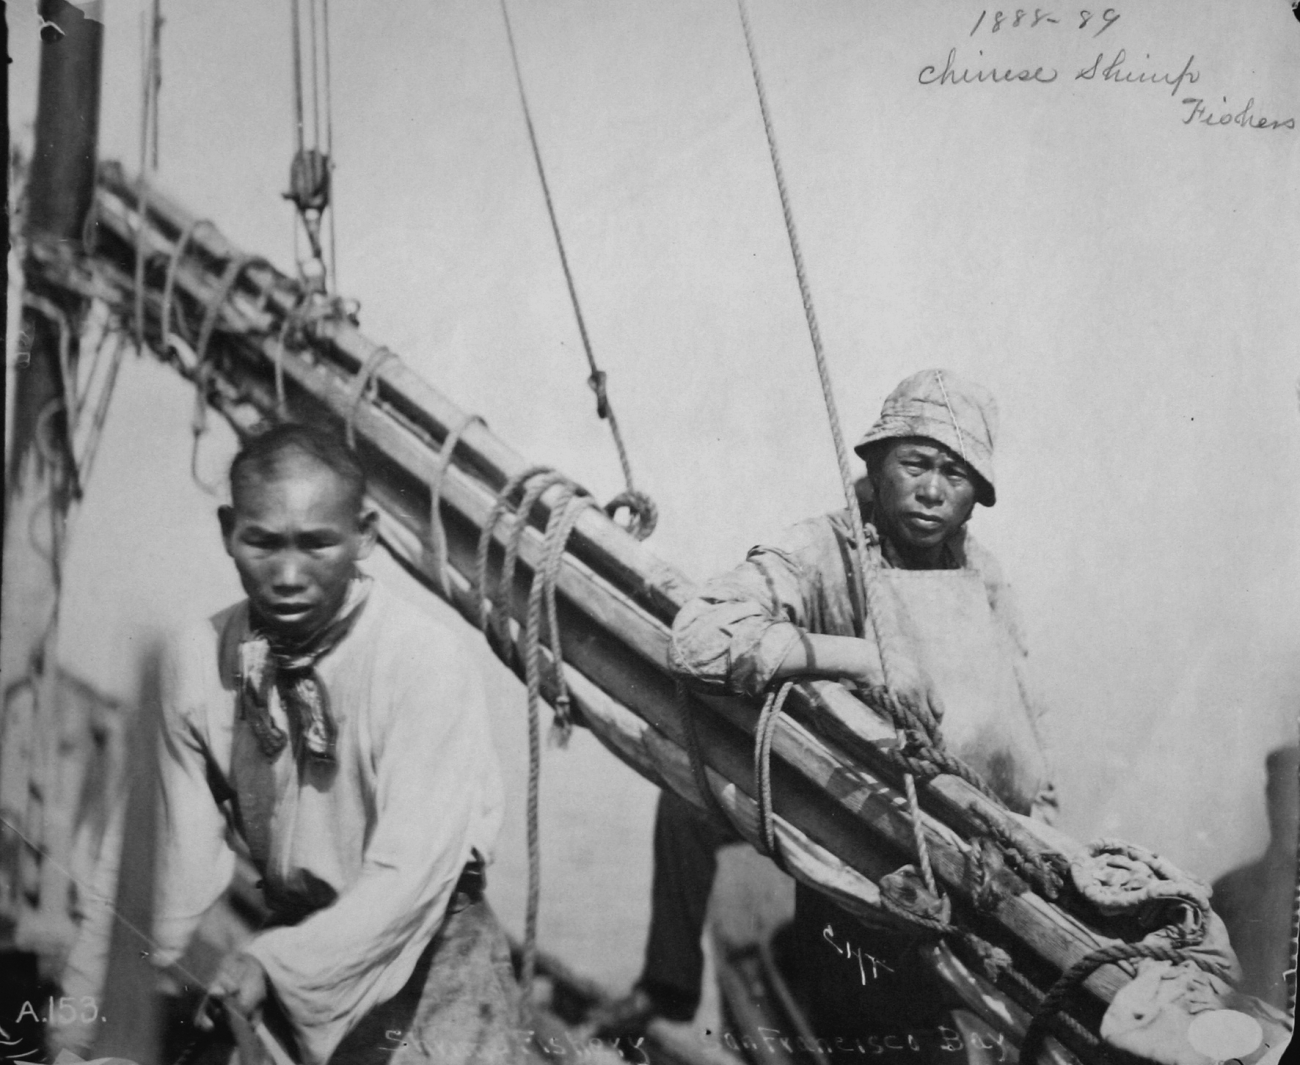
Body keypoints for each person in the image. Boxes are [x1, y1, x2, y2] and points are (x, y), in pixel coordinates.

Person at [600, 369, 1056, 1054]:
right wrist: (860, 658)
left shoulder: (984, 579)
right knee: (686, 809)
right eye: (917, 463)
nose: (933, 489)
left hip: (963, 856)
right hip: (847, 846)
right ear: (876, 463)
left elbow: (1027, 741)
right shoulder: (824, 550)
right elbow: (696, 636)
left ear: (976, 498)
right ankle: (669, 985)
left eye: (956, 475)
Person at [151, 421, 519, 1065]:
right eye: (262, 543)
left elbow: (409, 878)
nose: (288, 575)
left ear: (365, 536)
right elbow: (172, 871)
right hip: (297, 943)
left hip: (432, 953)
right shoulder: (197, 659)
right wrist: (94, 1018)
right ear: (227, 532)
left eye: (317, 544)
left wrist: (270, 963)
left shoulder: (421, 660)